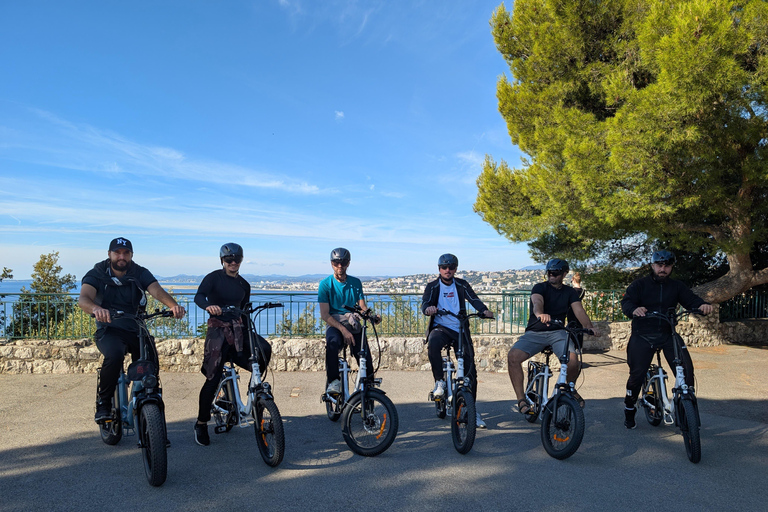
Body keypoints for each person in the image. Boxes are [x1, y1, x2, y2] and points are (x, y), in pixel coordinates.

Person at [78, 238, 186, 423]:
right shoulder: (97, 273)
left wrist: (173, 306)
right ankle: (104, 403)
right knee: (114, 355)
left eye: (126, 253)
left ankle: (151, 403)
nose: (122, 257)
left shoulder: (139, 272)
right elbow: (84, 298)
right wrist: (96, 309)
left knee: (150, 362)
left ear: (131, 255)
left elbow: (156, 290)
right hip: (109, 328)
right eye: (117, 253)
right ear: (109, 254)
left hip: (136, 328)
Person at [620, 250, 713, 429]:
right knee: (636, 375)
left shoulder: (677, 286)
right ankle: (629, 408)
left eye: (667, 266)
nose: (663, 269)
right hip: (643, 334)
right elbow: (627, 302)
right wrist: (634, 309)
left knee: (687, 370)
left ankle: (687, 409)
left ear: (671, 267)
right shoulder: (639, 285)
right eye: (659, 265)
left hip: (667, 333)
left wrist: (702, 305)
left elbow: (691, 299)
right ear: (653, 266)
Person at [192, 243, 272, 446]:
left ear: (241, 260)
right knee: (212, 379)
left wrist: (248, 332)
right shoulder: (213, 278)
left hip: (238, 330)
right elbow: (198, 296)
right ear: (222, 261)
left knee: (264, 349)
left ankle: (254, 389)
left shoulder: (244, 285)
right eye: (229, 259)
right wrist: (208, 306)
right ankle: (201, 423)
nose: (233, 262)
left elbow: (245, 309)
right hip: (218, 330)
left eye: (237, 259)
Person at [507, 259, 598, 416]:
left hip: (558, 332)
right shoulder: (540, 287)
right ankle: (521, 399)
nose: (552, 275)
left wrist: (590, 327)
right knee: (513, 357)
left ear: (564, 274)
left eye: (555, 273)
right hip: (535, 332)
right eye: (549, 273)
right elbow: (537, 302)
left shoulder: (569, 292)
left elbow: (579, 310)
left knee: (573, 361)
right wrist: (540, 314)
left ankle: (570, 388)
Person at [421, 253, 494, 428]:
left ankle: (471, 410)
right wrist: (428, 309)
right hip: (441, 327)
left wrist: (484, 310)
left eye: (451, 267)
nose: (447, 270)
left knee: (470, 370)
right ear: (439, 269)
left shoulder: (461, 284)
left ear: (455, 269)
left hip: (460, 328)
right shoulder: (432, 286)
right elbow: (425, 303)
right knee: (433, 343)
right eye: (444, 267)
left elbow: (474, 299)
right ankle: (439, 381)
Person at [320, 248, 379, 396]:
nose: (340, 266)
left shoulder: (355, 283)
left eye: (343, 262)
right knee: (332, 345)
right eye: (336, 263)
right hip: (335, 323)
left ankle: (369, 387)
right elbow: (325, 315)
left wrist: (371, 316)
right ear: (331, 264)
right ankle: (333, 381)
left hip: (353, 323)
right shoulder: (325, 284)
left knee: (364, 355)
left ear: (348, 263)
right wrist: (343, 330)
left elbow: (362, 307)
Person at [567, 272, 586, 349]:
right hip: (579, 309)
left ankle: (573, 345)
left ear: (573, 280)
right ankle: (579, 346)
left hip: (571, 310)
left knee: (571, 327)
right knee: (579, 327)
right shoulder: (583, 291)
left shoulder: (571, 291)